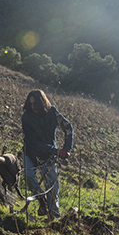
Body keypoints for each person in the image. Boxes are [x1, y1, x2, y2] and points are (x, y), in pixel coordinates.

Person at [21, 89, 73, 220]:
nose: (33, 107)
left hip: (49, 156)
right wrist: (56, 151)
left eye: (35, 104)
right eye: (30, 104)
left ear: (42, 103)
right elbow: (33, 142)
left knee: (52, 185)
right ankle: (42, 200)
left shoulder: (52, 113)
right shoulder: (26, 117)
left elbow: (68, 127)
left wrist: (66, 149)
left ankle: (54, 215)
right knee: (28, 175)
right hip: (31, 152)